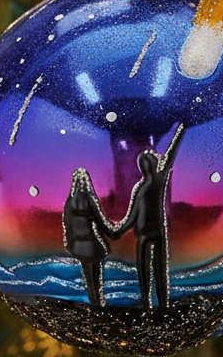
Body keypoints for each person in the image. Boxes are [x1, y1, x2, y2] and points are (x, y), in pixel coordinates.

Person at [113, 124, 185, 310]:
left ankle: (160, 304)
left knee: (156, 270)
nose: (155, 161)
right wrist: (117, 230)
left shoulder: (155, 181)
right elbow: (132, 217)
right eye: (152, 160)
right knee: (148, 270)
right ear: (146, 166)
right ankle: (150, 304)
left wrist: (180, 133)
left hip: (151, 233)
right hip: (147, 233)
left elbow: (170, 155)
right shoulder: (142, 187)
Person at [61, 167, 114, 308]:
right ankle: (99, 301)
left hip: (79, 245)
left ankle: (94, 301)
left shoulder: (69, 202)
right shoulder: (89, 200)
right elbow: (100, 221)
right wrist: (112, 234)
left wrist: (70, 245)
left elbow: (67, 225)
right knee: (96, 276)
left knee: (88, 277)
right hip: (92, 244)